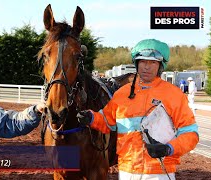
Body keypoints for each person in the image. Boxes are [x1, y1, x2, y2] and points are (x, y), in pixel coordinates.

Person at [77, 39, 199, 180]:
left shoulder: (174, 95)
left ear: (160, 65)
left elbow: (190, 134)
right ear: (136, 63)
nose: (147, 67)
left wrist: (169, 148)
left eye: (152, 62)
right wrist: (91, 118)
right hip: (127, 170)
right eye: (142, 62)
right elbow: (106, 121)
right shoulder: (121, 94)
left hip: (159, 171)